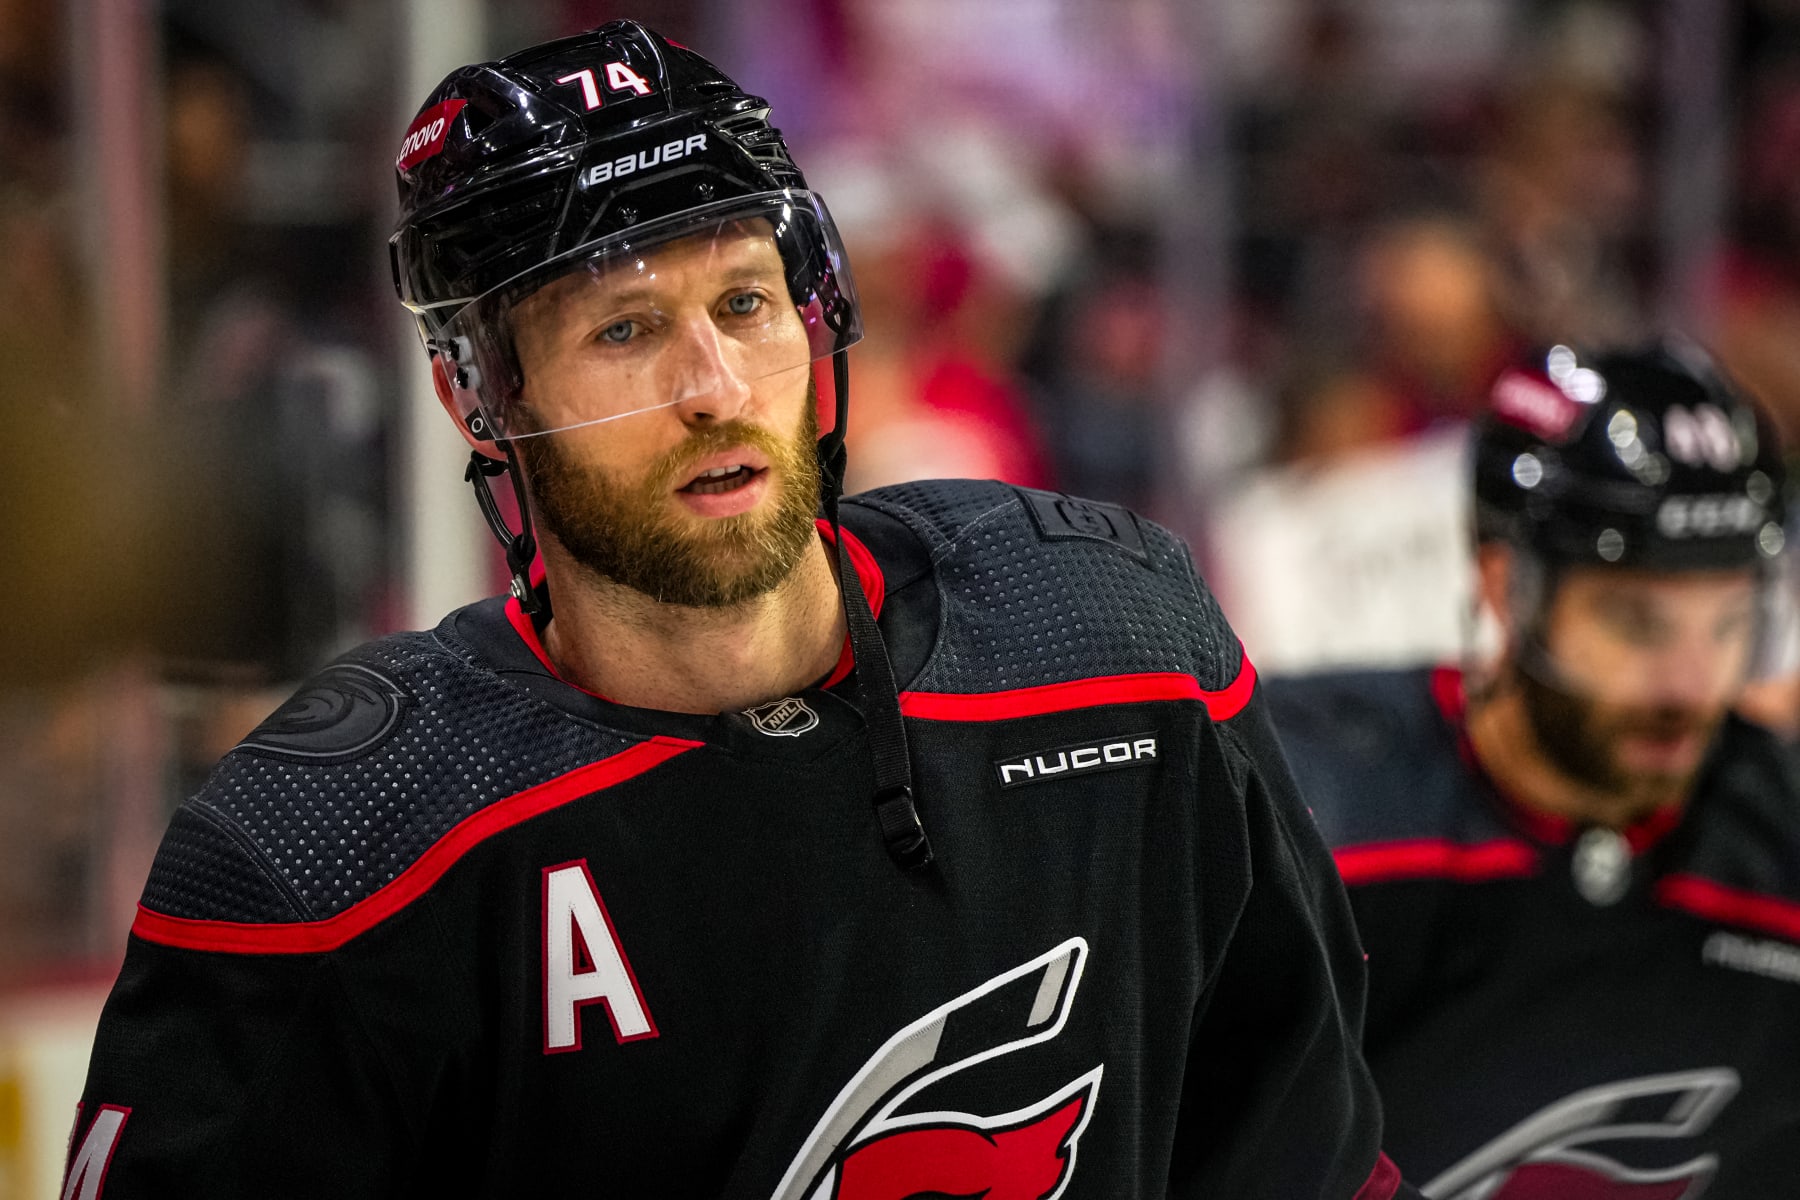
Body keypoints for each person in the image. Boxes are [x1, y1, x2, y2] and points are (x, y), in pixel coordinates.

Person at [68, 21, 1417, 1198]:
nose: (713, 383)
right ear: (479, 399)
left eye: (745, 301)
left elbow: (1300, 1155)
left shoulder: (1115, 652)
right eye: (624, 330)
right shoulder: (327, 855)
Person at [1266, 342, 1800, 1197]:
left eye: (1729, 623)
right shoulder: (1300, 802)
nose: (1692, 688)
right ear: (1502, 584)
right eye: (1637, 623)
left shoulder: (1776, 834)